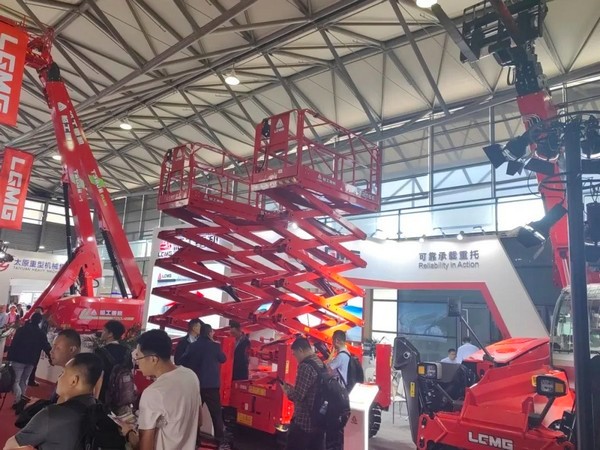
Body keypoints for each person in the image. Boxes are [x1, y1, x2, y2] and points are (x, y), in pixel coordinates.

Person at [3, 353, 103, 450]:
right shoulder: (97, 409)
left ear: (73, 381)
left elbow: (10, 446)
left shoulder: (51, 415)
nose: (59, 377)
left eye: (63, 372)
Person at [121, 329, 201, 450]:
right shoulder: (191, 375)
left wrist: (129, 433)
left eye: (139, 357)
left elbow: (145, 448)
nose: (138, 363)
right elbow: (199, 421)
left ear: (153, 359)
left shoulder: (154, 392)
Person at [181, 323, 227, 449]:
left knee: (194, 413)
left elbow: (183, 360)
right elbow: (223, 359)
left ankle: (194, 439)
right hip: (212, 386)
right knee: (216, 414)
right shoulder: (215, 346)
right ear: (209, 333)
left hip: (196, 385)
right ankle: (219, 440)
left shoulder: (193, 346)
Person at [281, 337, 325, 450]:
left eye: (295, 354)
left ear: (300, 350)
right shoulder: (319, 363)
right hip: (318, 420)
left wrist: (287, 390)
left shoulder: (305, 366)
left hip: (304, 422)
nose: (295, 358)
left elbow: (298, 396)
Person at [7, 312, 52, 412]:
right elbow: (46, 346)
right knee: (24, 381)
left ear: (31, 319)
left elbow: (14, 344)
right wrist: (51, 356)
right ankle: (19, 401)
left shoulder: (21, 330)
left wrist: (9, 357)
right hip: (32, 360)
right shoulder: (41, 333)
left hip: (18, 359)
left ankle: (19, 400)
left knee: (15, 381)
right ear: (39, 321)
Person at [94, 319, 129, 405]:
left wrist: (95, 399)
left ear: (110, 334)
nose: (102, 333)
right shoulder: (127, 351)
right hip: (122, 394)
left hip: (105, 395)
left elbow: (99, 377)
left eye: (104, 330)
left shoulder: (100, 352)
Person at [29, 307, 50, 387]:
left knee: (33, 366)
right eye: (35, 311)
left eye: (38, 311)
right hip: (33, 349)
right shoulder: (31, 324)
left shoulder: (44, 321)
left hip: (35, 349)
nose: (36, 312)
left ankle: (31, 380)